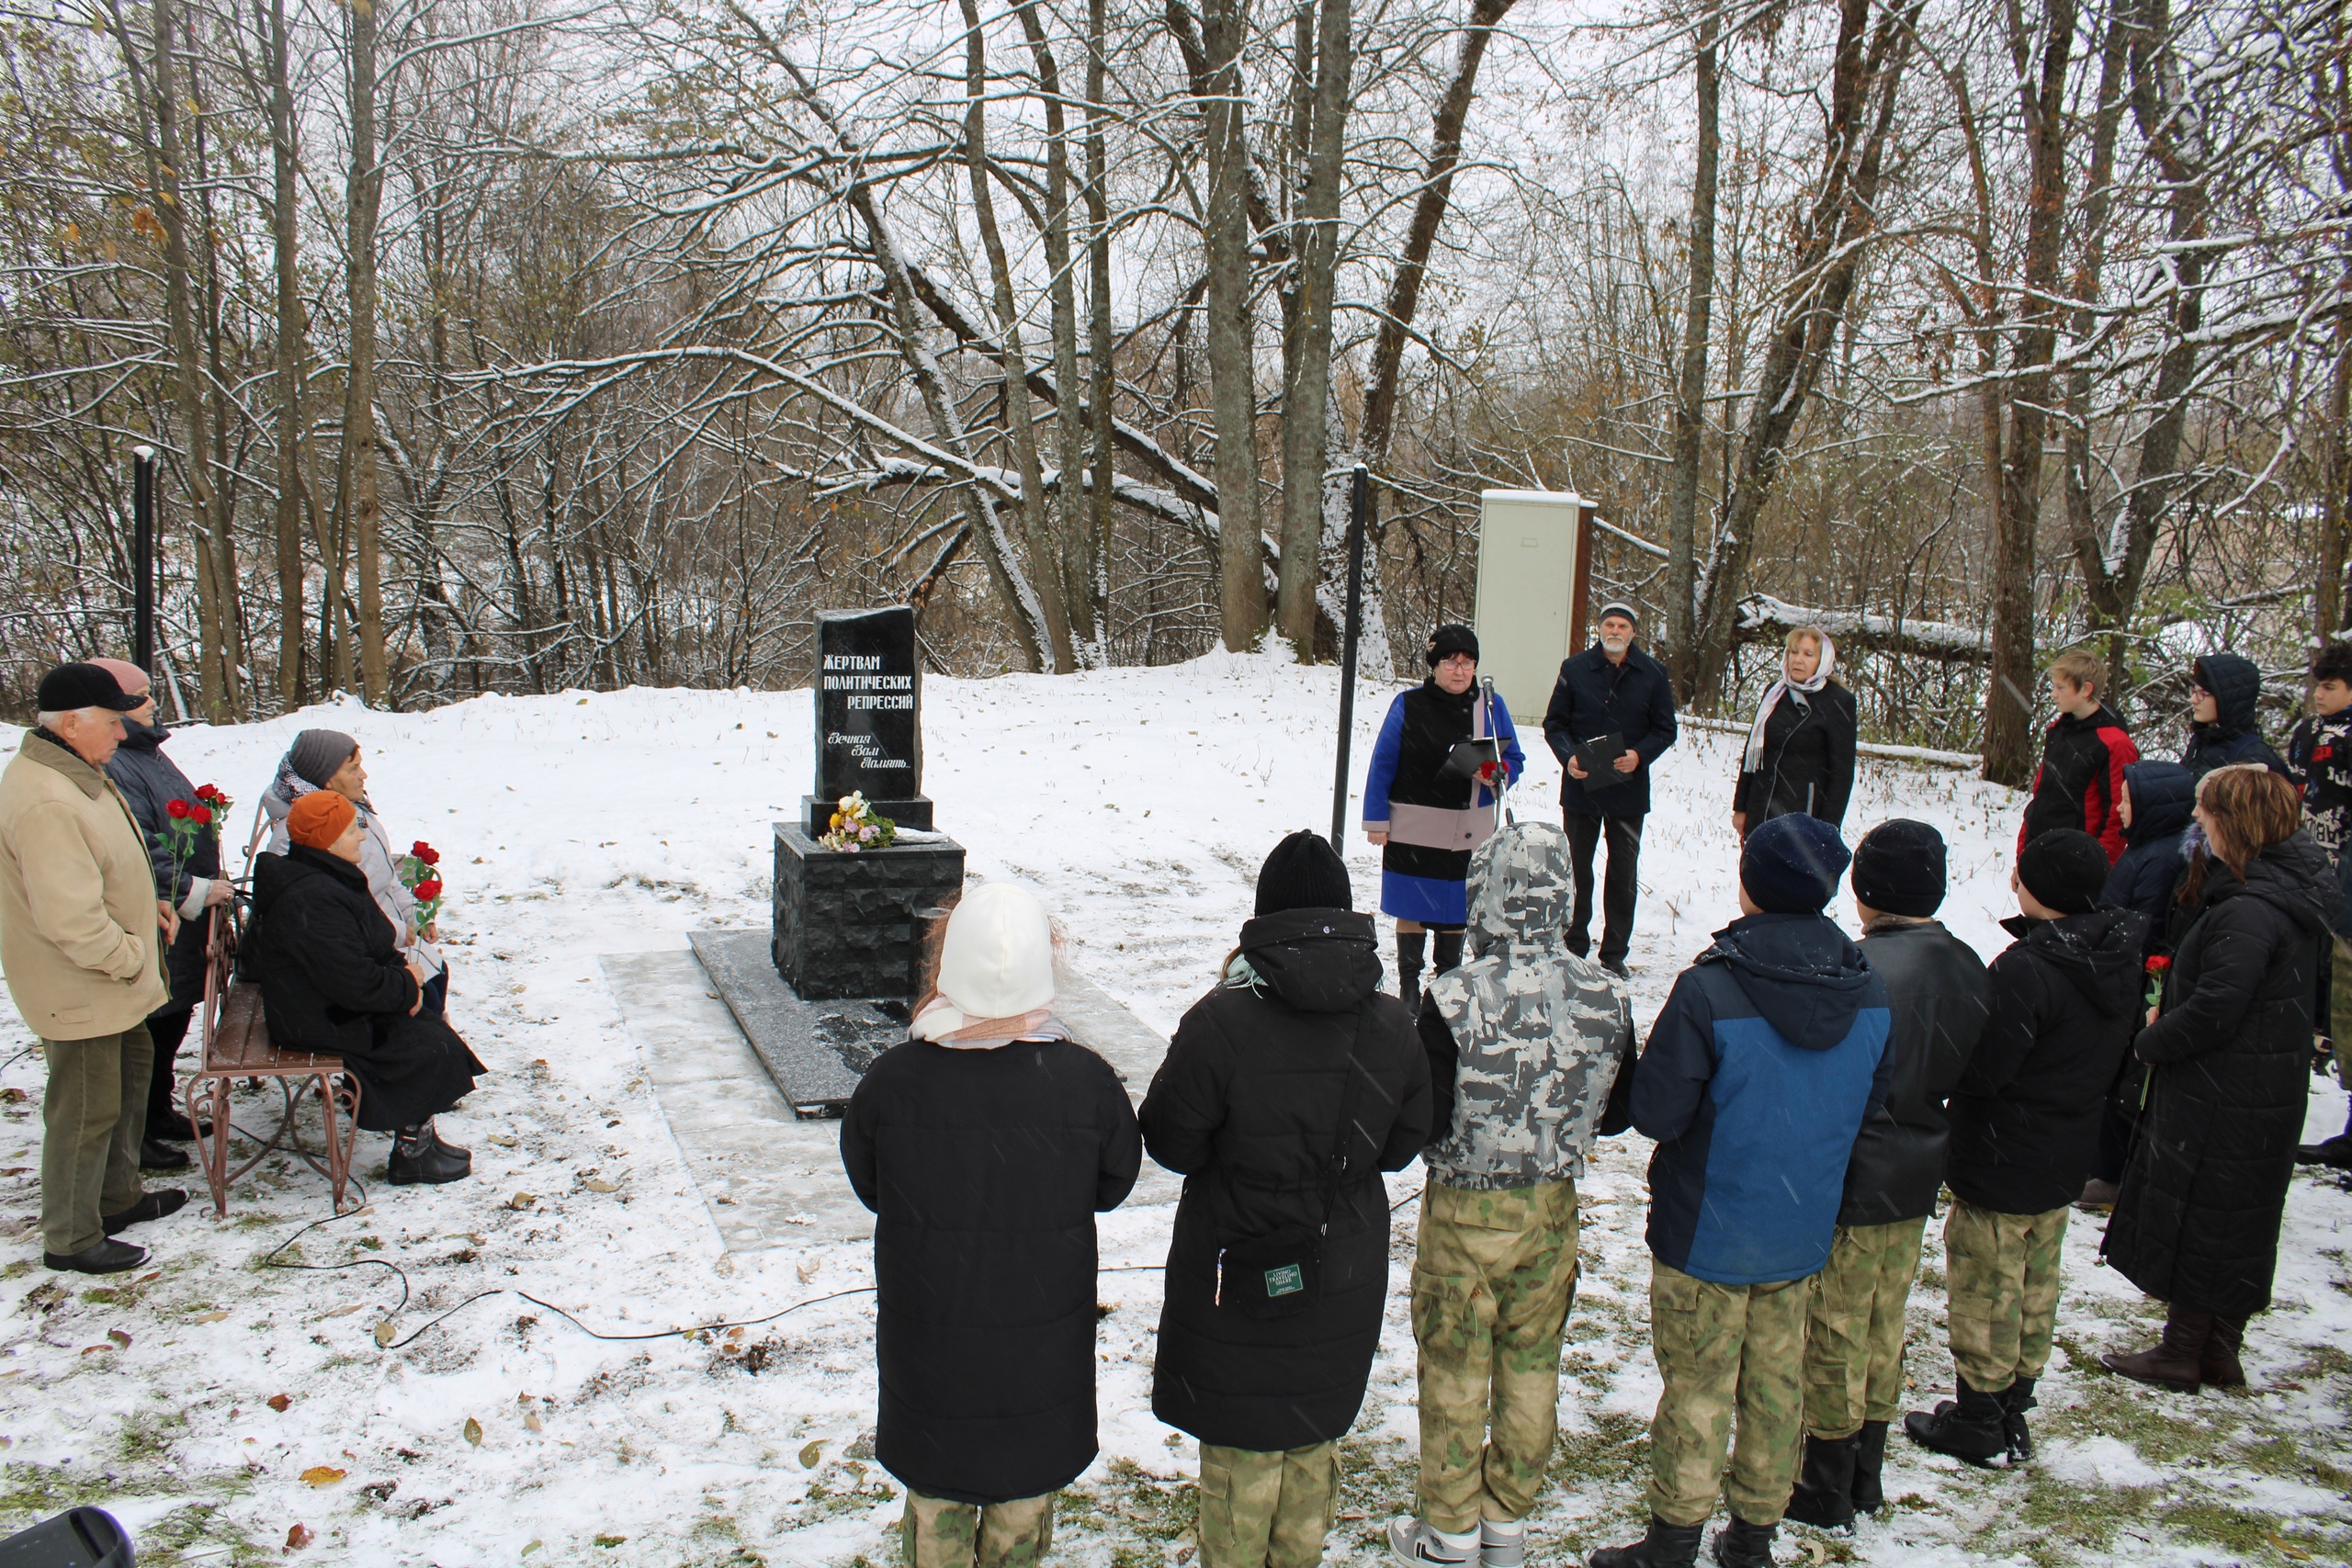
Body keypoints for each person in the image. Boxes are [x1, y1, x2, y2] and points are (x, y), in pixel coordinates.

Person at [1590, 815, 1889, 1568]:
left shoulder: (1710, 989)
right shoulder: (1868, 992)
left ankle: (1674, 1539)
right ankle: (1754, 1533)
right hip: (1800, 1227)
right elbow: (1872, 1101)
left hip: (1708, 1228)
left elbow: (1656, 1112)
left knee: (1697, 1385)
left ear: (1751, 884)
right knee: (1775, 1382)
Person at [1142, 832, 1430, 1568]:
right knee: (1309, 1445)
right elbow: (1401, 1142)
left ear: (1264, 916)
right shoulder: (1393, 1022)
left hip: (1233, 1265)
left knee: (1241, 1452)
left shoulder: (1221, 1022)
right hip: (1340, 1265)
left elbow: (1172, 1139)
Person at [841, 882, 1141, 1568]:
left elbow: (871, 1182)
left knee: (938, 1499)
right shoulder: (1083, 1081)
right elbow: (1114, 1180)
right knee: (1020, 1497)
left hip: (932, 1345)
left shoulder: (894, 1082)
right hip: (1038, 1353)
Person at [1386, 822, 1634, 1568]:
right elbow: (1619, 1112)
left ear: (1485, 894)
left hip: (1465, 1210)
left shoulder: (1454, 996)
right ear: (1564, 894)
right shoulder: (1605, 993)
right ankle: (1507, 1520)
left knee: (1457, 1365)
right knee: (1533, 1359)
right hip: (1551, 1208)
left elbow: (1423, 1112)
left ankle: (1453, 1531)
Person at [1904, 830, 2139, 1467]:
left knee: (1987, 1279)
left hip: (2005, 1150)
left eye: (2022, 873)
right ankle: (2014, 1401)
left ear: (2044, 890)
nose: (2013, 880)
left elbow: (1986, 1068)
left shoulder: (2029, 969)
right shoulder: (2115, 958)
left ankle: (1980, 1415)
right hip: (2065, 1147)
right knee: (2038, 1275)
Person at [2101, 766, 2333, 1393]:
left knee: (2206, 1210)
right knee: (2241, 1212)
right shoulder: (2282, 892)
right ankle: (2219, 1349)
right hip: (2262, 1084)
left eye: (2207, 814)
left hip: (2226, 1087)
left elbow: (2217, 1005)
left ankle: (2183, 1350)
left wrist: (2151, 1041)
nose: (2198, 824)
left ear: (2235, 823)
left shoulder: (2252, 910)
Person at [1785, 820, 1989, 1530]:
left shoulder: (1858, 969)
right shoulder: (1968, 965)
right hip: (1916, 1167)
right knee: (1882, 1319)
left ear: (1865, 890)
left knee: (1838, 1326)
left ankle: (1826, 1478)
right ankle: (1865, 1467)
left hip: (1856, 1169)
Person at [0, 662, 180, 1274]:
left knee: (128, 1083)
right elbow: (70, 920)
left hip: (110, 980)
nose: (123, 735)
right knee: (84, 1108)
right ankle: (71, 1236)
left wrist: (145, 902)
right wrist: (130, 954)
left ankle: (117, 1197)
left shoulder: (79, 773)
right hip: (83, 984)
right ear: (71, 723)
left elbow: (102, 863)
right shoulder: (46, 799)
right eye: (111, 722)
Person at [242, 791, 484, 1183]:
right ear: (327, 837)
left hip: (321, 1002)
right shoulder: (313, 895)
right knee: (424, 1045)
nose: (361, 836)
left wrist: (405, 982)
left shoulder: (326, 875)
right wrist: (406, 984)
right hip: (313, 1016)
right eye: (352, 828)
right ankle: (411, 1155)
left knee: (427, 1029)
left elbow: (362, 952)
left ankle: (420, 1138)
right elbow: (351, 980)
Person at [89, 658, 232, 1171]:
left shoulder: (146, 752)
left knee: (172, 1017)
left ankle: (157, 1109)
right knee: (150, 1023)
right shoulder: (116, 763)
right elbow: (137, 844)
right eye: (142, 696)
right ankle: (139, 1128)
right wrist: (192, 885)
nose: (154, 703)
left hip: (183, 918)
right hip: (158, 913)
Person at [1363, 625, 1525, 1010]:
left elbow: (1513, 759)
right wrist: (1376, 820)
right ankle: (1408, 985)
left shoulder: (1490, 706)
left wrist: (1497, 773)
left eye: (1468, 663)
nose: (1460, 670)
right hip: (1412, 825)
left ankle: (1447, 982)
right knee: (1413, 906)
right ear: (1435, 665)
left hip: (1468, 829)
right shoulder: (1409, 703)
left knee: (1456, 908)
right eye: (1451, 662)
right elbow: (1383, 762)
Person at [2080, 761, 2198, 1206]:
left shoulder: (2162, 858)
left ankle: (2113, 1170)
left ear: (2154, 806)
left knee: (2123, 1080)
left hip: (2134, 981)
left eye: (2127, 800)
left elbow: (2142, 925)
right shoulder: (2143, 846)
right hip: (2118, 973)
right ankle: (2102, 1163)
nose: (2119, 808)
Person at [262, 730, 446, 1013]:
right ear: (325, 778)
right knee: (427, 997)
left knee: (437, 977)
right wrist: (393, 931)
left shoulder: (351, 812)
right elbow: (325, 914)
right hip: (355, 955)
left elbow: (385, 877)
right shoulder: (306, 832)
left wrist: (414, 915)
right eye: (353, 768)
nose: (364, 775)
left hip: (381, 935)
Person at [1542, 603, 1679, 978]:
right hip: (1583, 785)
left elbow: (1666, 729)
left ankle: (1615, 951)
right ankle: (1573, 943)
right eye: (1609, 625)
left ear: (1633, 633)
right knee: (1576, 868)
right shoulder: (1575, 669)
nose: (1615, 631)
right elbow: (1554, 724)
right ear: (1599, 629)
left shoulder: (1652, 674)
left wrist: (1639, 755)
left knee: (1622, 872)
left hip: (1628, 789)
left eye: (1622, 626)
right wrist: (1569, 758)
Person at [2287, 644, 2352, 1168]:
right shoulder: (2309, 732)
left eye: (2330, 686)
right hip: (2306, 868)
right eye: (2318, 685)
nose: (2320, 694)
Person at [1730, 626, 1856, 837]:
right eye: (1793, 652)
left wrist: (1827, 828)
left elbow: (1842, 774)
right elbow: (1752, 753)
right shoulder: (1774, 694)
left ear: (1822, 660)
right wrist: (1741, 807)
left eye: (1808, 654)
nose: (1798, 660)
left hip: (1803, 815)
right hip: (1761, 808)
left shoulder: (1839, 701)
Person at [2018, 647, 2138, 863]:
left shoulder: (2115, 743)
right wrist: (2023, 855)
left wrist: (2098, 868)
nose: (2053, 694)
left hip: (2077, 863)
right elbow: (2040, 798)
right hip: (2040, 853)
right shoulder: (2058, 729)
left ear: (2086, 690)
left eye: (2060, 687)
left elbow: (2117, 817)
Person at [2179, 652, 2288, 780]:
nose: (2193, 699)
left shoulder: (2252, 759)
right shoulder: (2203, 740)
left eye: (2202, 693)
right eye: (2194, 691)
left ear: (2227, 700)